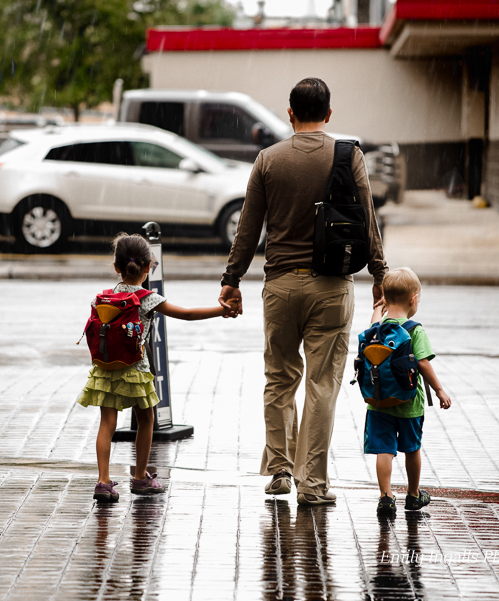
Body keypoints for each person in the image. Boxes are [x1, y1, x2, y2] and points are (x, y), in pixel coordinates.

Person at [219, 77, 387, 505]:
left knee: (279, 379)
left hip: (279, 286)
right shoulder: (349, 156)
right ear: (328, 114)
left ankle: (279, 470)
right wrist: (379, 275)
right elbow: (367, 219)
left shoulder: (267, 160)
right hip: (331, 285)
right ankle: (312, 485)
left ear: (289, 113)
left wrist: (231, 280)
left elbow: (248, 228)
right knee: (321, 386)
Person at [79, 233, 235, 503]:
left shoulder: (104, 297)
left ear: (117, 267)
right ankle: (140, 477)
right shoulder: (147, 298)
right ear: (149, 267)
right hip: (136, 369)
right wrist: (221, 311)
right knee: (147, 420)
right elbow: (186, 313)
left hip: (106, 368)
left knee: (108, 424)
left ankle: (103, 481)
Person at [364, 267, 451, 517]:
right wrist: (439, 390)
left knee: (384, 450)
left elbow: (372, 324)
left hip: (378, 401)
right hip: (410, 403)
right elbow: (423, 363)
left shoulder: (377, 328)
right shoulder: (414, 330)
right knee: (412, 448)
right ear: (413, 299)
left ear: (385, 299)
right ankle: (413, 495)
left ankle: (385, 496)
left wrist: (376, 311)